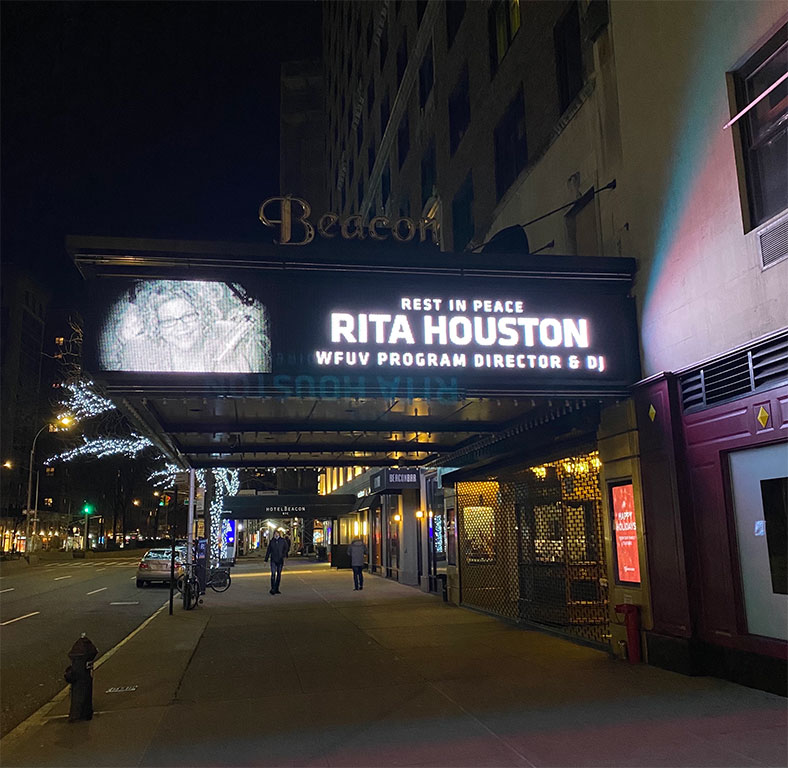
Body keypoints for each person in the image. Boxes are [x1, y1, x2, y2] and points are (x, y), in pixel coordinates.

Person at [265, 530, 289, 594]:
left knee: (279, 574)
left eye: (277, 533)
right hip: (273, 560)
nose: (276, 535)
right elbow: (268, 550)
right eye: (275, 534)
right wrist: (266, 559)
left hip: (280, 560)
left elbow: (286, 548)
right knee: (273, 574)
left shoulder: (282, 541)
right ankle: (273, 588)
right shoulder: (272, 541)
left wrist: (284, 555)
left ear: (279, 534)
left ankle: (277, 588)